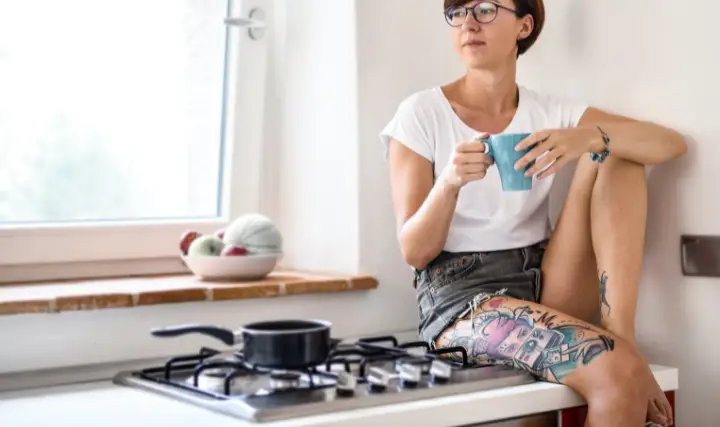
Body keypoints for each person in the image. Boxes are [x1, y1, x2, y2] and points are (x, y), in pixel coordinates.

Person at [380, 1, 687, 426]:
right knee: (618, 376)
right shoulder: (421, 113)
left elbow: (670, 144)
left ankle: (623, 338)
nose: (468, 22)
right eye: (457, 11)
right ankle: (621, 359)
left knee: (617, 151)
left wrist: (584, 137)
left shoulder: (549, 112)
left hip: (545, 277)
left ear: (524, 25)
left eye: (486, 8)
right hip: (462, 299)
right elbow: (414, 251)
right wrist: (449, 183)